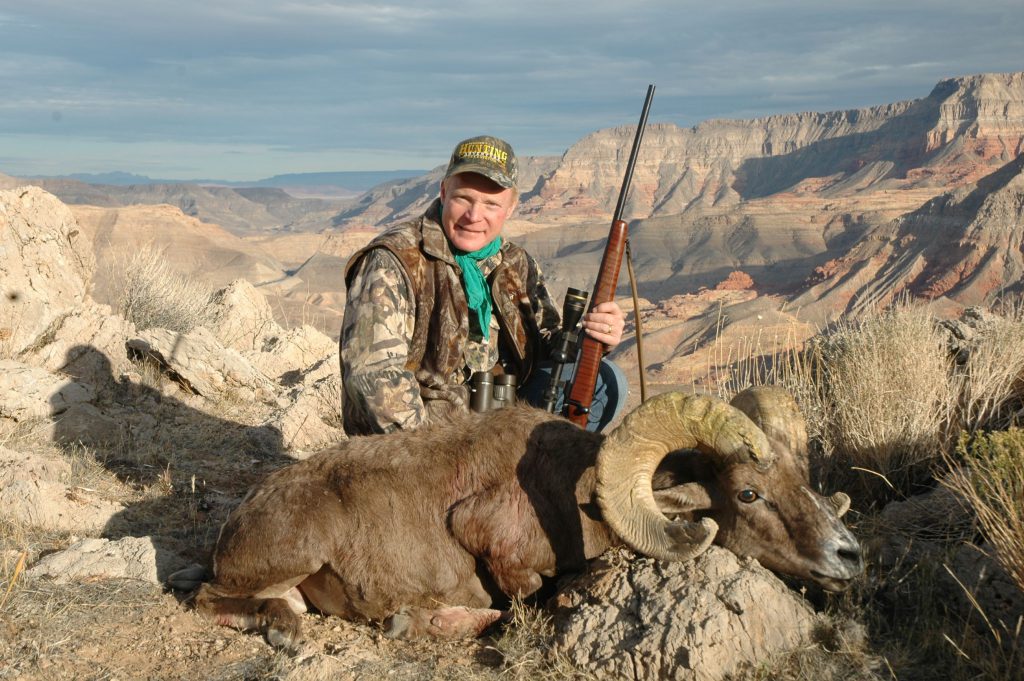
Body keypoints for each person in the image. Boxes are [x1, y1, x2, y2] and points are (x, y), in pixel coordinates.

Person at [340, 135, 628, 436]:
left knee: (608, 382)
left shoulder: (516, 263)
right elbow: (372, 377)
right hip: (425, 439)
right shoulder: (393, 260)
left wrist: (593, 340)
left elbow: (548, 348)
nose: (474, 216)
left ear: (512, 207)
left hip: (494, 425)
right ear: (443, 192)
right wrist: (436, 460)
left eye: (491, 204)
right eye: (463, 198)